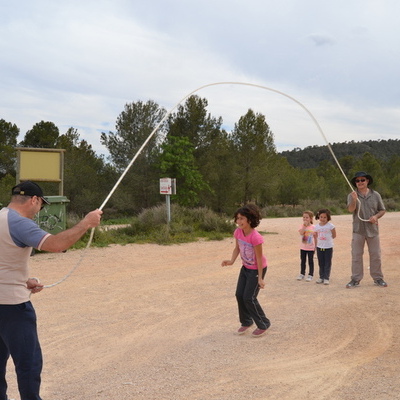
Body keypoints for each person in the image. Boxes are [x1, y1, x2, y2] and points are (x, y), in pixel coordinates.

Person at [0, 181, 103, 400]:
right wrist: (86, 223)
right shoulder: (19, 223)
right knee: (28, 365)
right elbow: (56, 245)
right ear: (34, 200)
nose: (39, 210)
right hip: (13, 308)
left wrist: (22, 280)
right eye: (41, 205)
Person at [221, 203, 270, 338]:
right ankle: (246, 321)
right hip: (246, 268)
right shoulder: (238, 232)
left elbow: (259, 258)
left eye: (242, 218)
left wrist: (260, 278)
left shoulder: (256, 237)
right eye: (237, 218)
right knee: (239, 294)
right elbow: (237, 248)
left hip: (256, 269)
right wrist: (231, 261)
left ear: (250, 219)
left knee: (249, 297)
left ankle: (263, 323)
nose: (239, 221)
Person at [346, 171, 387, 288]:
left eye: (362, 180)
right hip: (358, 230)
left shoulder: (376, 195)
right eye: (357, 181)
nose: (360, 182)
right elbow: (350, 209)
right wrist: (354, 199)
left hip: (373, 230)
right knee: (356, 255)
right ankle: (355, 279)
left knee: (375, 255)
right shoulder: (351, 195)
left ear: (367, 181)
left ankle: (378, 278)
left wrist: (376, 217)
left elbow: (382, 210)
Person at [314, 209, 336, 285]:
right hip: (320, 247)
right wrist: (316, 246)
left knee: (327, 262)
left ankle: (326, 277)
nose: (322, 219)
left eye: (325, 217)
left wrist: (328, 240)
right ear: (318, 217)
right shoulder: (316, 227)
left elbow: (334, 235)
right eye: (321, 217)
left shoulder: (331, 226)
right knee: (321, 262)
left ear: (328, 218)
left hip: (328, 247)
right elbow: (316, 236)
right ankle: (321, 277)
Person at [297, 210, 316, 282]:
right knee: (303, 261)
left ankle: (310, 274)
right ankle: (302, 273)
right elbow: (301, 233)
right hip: (303, 247)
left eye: (307, 217)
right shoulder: (301, 226)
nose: (305, 219)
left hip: (311, 247)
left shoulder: (314, 227)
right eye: (304, 217)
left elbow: (315, 237)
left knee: (310, 261)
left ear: (311, 218)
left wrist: (315, 247)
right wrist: (304, 227)